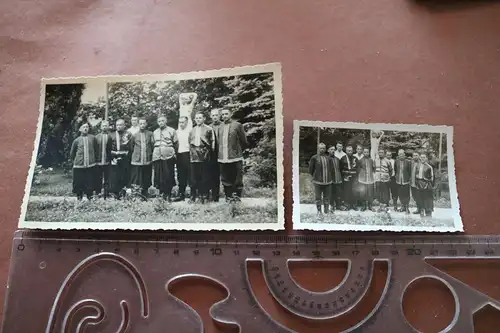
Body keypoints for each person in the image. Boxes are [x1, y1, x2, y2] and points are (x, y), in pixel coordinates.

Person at [217, 109, 247, 201]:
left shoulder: (237, 125)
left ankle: (237, 196)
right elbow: (218, 142)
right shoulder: (220, 127)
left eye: (226, 114)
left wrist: (236, 151)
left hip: (235, 157)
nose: (224, 116)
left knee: (237, 177)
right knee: (225, 177)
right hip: (223, 157)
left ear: (230, 114)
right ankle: (228, 197)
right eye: (223, 114)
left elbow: (244, 141)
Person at [189, 113, 215, 203]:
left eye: (200, 118)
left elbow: (212, 143)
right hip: (194, 156)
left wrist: (208, 153)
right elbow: (190, 142)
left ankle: (205, 195)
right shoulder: (192, 130)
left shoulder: (209, 129)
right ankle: (194, 196)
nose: (198, 119)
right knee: (195, 177)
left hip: (205, 155)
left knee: (205, 176)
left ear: (204, 118)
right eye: (196, 118)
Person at [69, 123, 98, 200]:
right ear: (80, 129)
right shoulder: (76, 140)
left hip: (90, 165)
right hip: (79, 166)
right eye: (84, 127)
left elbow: (96, 150)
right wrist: (76, 161)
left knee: (90, 182)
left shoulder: (92, 138)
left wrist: (94, 160)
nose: (85, 128)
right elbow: (72, 153)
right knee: (79, 182)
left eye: (87, 127)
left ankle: (90, 198)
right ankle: (79, 198)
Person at [152, 115, 178, 200]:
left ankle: (168, 194)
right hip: (157, 156)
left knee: (168, 175)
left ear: (166, 121)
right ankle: (161, 193)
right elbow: (153, 143)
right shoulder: (155, 132)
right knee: (158, 175)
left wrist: (173, 153)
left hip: (168, 156)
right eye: (159, 121)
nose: (161, 123)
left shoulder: (172, 130)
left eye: (162, 121)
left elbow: (175, 143)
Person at [129, 118, 154, 199]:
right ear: (138, 124)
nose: (142, 125)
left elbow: (152, 145)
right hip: (137, 160)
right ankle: (136, 194)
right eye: (141, 124)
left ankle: (145, 192)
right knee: (136, 177)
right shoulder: (134, 135)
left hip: (147, 159)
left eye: (144, 123)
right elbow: (131, 147)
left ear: (146, 124)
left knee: (146, 177)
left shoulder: (150, 134)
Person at [309, 143, 335, 214]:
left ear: (325, 149)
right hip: (318, 182)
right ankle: (319, 211)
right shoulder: (314, 158)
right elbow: (311, 169)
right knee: (318, 197)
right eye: (321, 148)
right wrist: (315, 176)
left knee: (327, 197)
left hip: (328, 182)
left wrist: (330, 177)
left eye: (323, 148)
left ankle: (326, 211)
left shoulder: (329, 158)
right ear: (318, 149)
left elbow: (332, 169)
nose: (322, 149)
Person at [109, 119, 132, 199]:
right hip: (115, 159)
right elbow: (108, 149)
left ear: (124, 125)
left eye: (120, 125)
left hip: (125, 159)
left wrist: (127, 155)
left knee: (125, 176)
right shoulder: (111, 135)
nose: (119, 126)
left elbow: (131, 147)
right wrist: (114, 155)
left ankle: (124, 193)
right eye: (117, 125)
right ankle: (115, 194)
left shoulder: (128, 135)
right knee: (115, 176)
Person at [95, 120, 112, 199]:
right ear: (101, 127)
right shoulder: (97, 137)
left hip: (107, 161)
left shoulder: (110, 136)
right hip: (98, 161)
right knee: (98, 178)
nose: (104, 127)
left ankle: (106, 193)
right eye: (103, 125)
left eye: (106, 125)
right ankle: (98, 193)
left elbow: (111, 149)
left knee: (107, 178)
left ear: (108, 127)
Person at [175, 116, 191, 201]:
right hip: (179, 155)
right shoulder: (176, 132)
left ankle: (193, 194)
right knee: (181, 175)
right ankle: (181, 194)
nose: (181, 124)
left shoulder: (190, 131)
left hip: (188, 154)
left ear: (187, 122)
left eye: (183, 122)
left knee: (190, 174)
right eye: (180, 122)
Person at [415, 153, 435, 217]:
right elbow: (416, 174)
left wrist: (429, 183)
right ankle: (421, 210)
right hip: (419, 183)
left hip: (426, 183)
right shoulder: (418, 165)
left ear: (426, 158)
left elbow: (432, 177)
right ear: (420, 158)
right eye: (421, 157)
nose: (422, 158)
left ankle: (428, 211)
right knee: (420, 198)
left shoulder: (429, 167)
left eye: (424, 157)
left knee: (427, 198)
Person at [393, 148, 412, 213]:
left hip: (406, 181)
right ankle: (402, 207)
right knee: (400, 194)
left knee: (406, 195)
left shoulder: (408, 162)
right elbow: (395, 170)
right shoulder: (396, 161)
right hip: (398, 181)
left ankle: (407, 208)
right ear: (398, 155)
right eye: (400, 154)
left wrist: (409, 179)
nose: (401, 155)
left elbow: (410, 171)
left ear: (404, 154)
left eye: (402, 154)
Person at [209, 109, 222, 202]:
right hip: (212, 154)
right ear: (210, 116)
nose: (215, 117)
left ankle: (231, 196)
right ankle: (215, 196)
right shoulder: (208, 127)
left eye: (216, 115)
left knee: (226, 175)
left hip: (223, 153)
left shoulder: (223, 126)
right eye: (213, 115)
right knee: (213, 175)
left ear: (219, 115)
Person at [340, 145, 358, 210]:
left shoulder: (355, 158)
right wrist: (346, 174)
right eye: (348, 151)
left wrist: (355, 176)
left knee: (354, 191)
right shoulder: (343, 158)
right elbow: (340, 169)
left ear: (353, 151)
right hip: (346, 177)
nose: (350, 152)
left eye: (351, 151)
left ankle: (354, 205)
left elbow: (358, 169)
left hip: (354, 178)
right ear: (346, 151)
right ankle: (347, 205)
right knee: (347, 191)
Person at [327, 146, 343, 212]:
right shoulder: (327, 159)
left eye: (334, 149)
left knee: (338, 193)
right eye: (331, 149)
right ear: (328, 150)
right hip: (331, 180)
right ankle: (332, 206)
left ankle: (338, 206)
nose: (333, 151)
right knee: (331, 193)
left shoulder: (337, 159)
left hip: (338, 179)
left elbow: (340, 169)